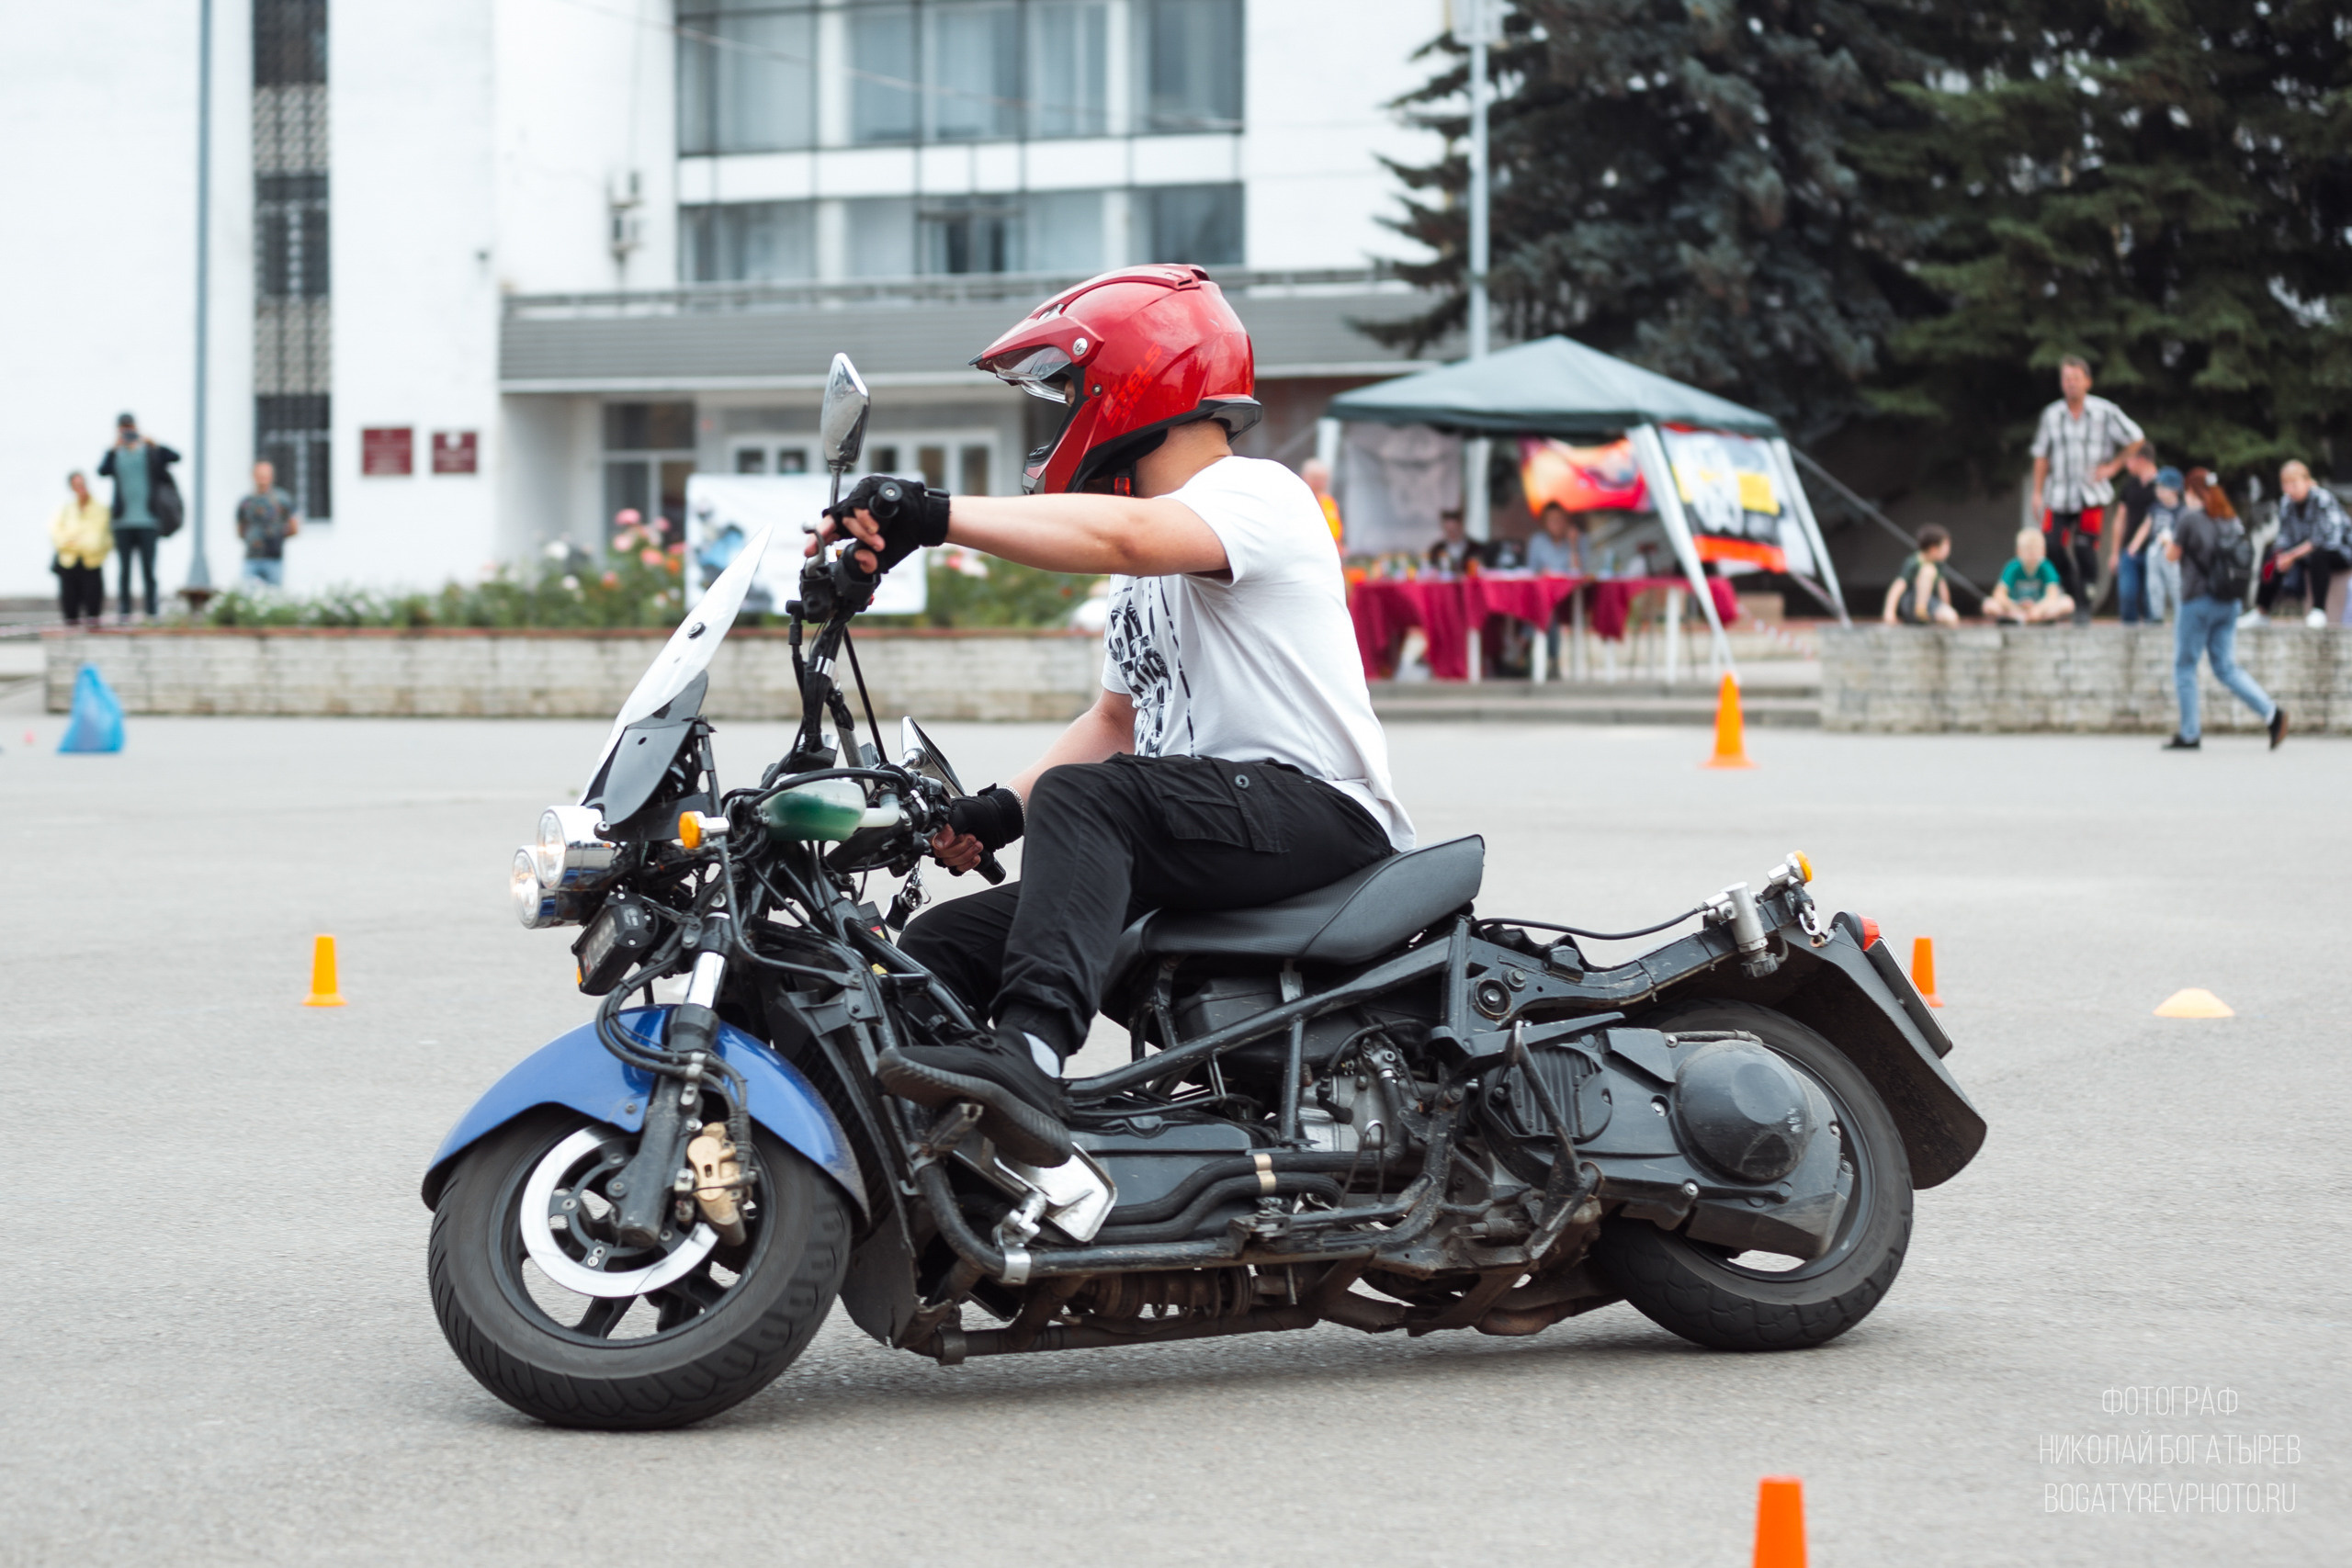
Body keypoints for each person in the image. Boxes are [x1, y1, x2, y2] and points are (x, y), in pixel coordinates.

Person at [813, 266, 1413, 1165]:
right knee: (944, 943)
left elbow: (1121, 536)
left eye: (1068, 394)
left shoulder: (1254, 494)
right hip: (1202, 828)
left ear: (1134, 381)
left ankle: (1030, 1055)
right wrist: (989, 811)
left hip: (1318, 813)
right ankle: (942, 1176)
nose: (1059, 419)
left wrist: (929, 515)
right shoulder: (1142, 568)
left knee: (1097, 800)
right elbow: (1115, 723)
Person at [2166, 476, 2285, 750]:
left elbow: (2172, 556)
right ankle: (2271, 713)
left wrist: (2164, 542)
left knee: (2185, 667)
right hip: (2230, 601)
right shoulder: (2230, 518)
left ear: (2192, 491)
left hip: (2198, 600)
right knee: (2226, 667)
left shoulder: (2189, 518)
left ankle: (2189, 734)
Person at [2030, 355, 2144, 623]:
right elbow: (2041, 455)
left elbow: (2136, 438)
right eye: (2066, 379)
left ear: (2087, 382)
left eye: (2075, 379)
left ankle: (2086, 601)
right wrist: (2037, 492)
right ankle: (2073, 593)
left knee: (2084, 547)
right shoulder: (2052, 414)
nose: (2070, 384)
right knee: (2052, 545)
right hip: (2058, 494)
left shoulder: (2105, 411)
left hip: (2091, 495)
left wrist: (2114, 466)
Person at [95, 412, 179, 619]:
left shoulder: (149, 453)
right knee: (124, 572)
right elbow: (101, 471)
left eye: (130, 429)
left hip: (148, 521)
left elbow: (176, 457)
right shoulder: (116, 455)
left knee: (149, 571)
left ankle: (152, 612)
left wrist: (154, 443)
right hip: (122, 522)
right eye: (123, 430)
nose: (127, 433)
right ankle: (125, 612)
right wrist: (113, 449)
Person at [2256, 460, 2350, 626]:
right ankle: (2262, 610)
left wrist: (2291, 556)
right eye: (2285, 484)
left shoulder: (2322, 498)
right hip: (2305, 552)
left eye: (2294, 483)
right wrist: (2281, 555)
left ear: (2306, 481)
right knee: (2272, 555)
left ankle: (2318, 610)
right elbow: (2284, 537)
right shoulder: (2286, 503)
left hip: (2340, 551)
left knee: (2319, 555)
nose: (2289, 489)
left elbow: (2325, 539)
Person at [49, 470, 112, 626]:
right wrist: (73, 543)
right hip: (69, 563)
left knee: (93, 610)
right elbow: (56, 534)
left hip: (91, 563)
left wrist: (75, 542)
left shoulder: (100, 509)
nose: (80, 488)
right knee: (70, 611)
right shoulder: (66, 509)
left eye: (82, 484)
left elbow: (101, 538)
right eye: (76, 485)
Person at [1984, 528, 2075, 624]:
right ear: (2019, 551)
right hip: (2016, 608)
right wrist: (2015, 607)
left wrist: (2038, 609)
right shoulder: (2013, 567)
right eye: (2028, 551)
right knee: (1989, 604)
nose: (2032, 554)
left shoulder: (2047, 567)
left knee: (2068, 603)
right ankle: (2021, 618)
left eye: (2036, 550)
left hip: (2040, 608)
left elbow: (2052, 595)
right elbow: (1999, 594)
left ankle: (2030, 619)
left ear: (2043, 551)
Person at [2110, 448, 2160, 624]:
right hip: (2130, 550)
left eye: (2129, 459)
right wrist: (2115, 552)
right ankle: (2128, 637)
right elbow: (2120, 519)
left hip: (2154, 551)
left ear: (2142, 459)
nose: (2126, 464)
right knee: (2127, 594)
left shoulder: (2162, 484)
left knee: (2150, 599)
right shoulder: (2129, 485)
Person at [2131, 467, 2185, 624]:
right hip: (2155, 550)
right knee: (2154, 584)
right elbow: (2146, 527)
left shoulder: (2181, 510)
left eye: (2163, 487)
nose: (2158, 491)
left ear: (2174, 490)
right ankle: (2156, 615)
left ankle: (2181, 615)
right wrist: (2135, 544)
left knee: (2175, 584)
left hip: (2172, 550)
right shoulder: (2155, 508)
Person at [234, 459, 301, 586]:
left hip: (274, 558)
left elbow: (294, 527)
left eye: (266, 475)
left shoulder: (283, 499)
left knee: (274, 598)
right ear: (253, 476)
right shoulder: (246, 502)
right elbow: (240, 529)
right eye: (260, 475)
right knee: (247, 597)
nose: (263, 478)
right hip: (251, 558)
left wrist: (277, 536)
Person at [1882, 525, 1961, 626]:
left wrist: (1946, 607)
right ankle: (1920, 611)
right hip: (1912, 603)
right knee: (1928, 571)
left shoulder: (1938, 564)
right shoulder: (1914, 562)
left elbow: (1942, 588)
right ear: (1933, 548)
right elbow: (1898, 586)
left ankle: (1927, 618)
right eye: (1946, 545)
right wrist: (1889, 612)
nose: (1948, 550)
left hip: (1931, 603)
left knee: (1951, 616)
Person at [1524, 502, 1584, 576]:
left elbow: (1578, 574)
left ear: (1567, 521)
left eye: (1560, 519)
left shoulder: (1579, 539)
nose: (1557, 524)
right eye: (1552, 520)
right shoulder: (1537, 541)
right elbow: (1530, 572)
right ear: (1544, 523)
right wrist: (1541, 574)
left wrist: (1573, 545)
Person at [1301, 457, 1344, 550]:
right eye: (1315, 478)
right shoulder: (1299, 501)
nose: (1319, 483)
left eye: (1323, 479)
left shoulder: (1329, 502)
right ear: (1304, 477)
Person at [1426, 508, 1486, 573]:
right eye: (1448, 530)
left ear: (1461, 527)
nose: (1452, 534)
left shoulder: (1476, 548)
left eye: (1455, 530)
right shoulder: (1437, 549)